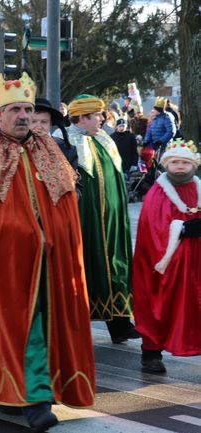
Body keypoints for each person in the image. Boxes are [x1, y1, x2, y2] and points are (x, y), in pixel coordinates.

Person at [0, 73, 95, 432]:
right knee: (10, 326)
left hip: (49, 262)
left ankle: (25, 393)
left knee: (38, 328)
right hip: (3, 262)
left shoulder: (48, 147)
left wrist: (56, 235)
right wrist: (19, 234)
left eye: (28, 109)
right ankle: (30, 398)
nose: (24, 116)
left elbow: (65, 203)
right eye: (15, 109)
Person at [66, 94, 139, 343]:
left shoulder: (104, 139)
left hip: (112, 220)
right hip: (86, 220)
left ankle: (120, 324)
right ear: (83, 117)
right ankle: (77, 328)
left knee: (116, 264)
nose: (102, 119)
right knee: (87, 267)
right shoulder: (65, 140)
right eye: (97, 115)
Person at [133, 139, 201, 373]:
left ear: (193, 165)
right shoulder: (157, 192)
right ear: (166, 165)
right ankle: (151, 353)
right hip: (165, 265)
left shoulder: (198, 188)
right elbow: (153, 229)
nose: (180, 167)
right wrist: (182, 229)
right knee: (158, 306)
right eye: (175, 163)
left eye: (185, 163)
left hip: (196, 263)